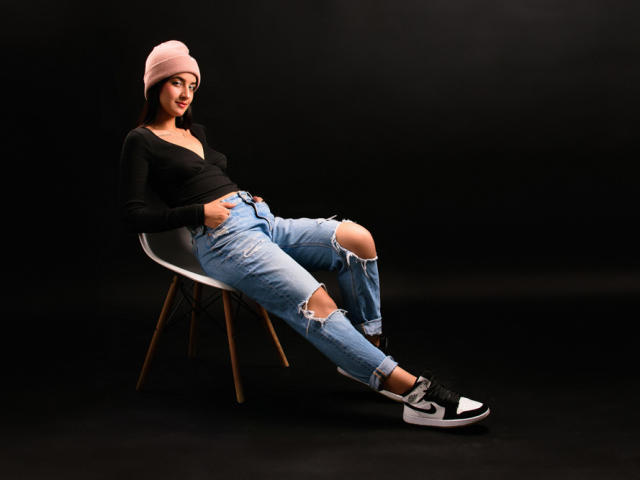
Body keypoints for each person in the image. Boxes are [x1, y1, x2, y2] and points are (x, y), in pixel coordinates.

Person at [119, 40, 490, 428]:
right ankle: (415, 395)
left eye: (192, 85)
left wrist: (243, 199)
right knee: (317, 301)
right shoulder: (141, 140)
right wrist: (200, 213)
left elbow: (209, 179)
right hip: (225, 241)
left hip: (261, 220)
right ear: (155, 85)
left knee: (356, 240)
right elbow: (133, 215)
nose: (185, 94)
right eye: (176, 82)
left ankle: (366, 351)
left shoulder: (195, 131)